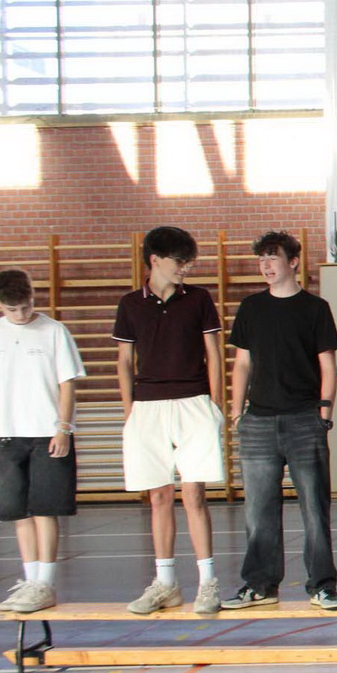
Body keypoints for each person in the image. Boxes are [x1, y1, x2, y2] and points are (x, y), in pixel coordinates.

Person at [221, 231, 337, 610]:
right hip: (258, 422)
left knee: (314, 509)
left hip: (304, 420)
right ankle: (260, 585)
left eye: (272, 258)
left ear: (292, 262)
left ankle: (322, 586)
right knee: (258, 511)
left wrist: (324, 412)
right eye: (261, 259)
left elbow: (328, 365)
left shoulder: (315, 308)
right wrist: (237, 412)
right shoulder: (251, 308)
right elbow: (242, 363)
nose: (266, 265)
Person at [113, 226, 226, 615]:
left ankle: (207, 582)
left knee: (194, 494)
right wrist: (130, 411)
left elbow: (213, 352)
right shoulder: (130, 304)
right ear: (155, 260)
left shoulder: (199, 299)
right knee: (158, 496)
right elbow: (124, 361)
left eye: (188, 262)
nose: (185, 268)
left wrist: (214, 405)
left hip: (193, 403)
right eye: (180, 261)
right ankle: (165, 584)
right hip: (147, 407)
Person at [0, 270, 84, 614]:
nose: (21, 314)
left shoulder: (54, 331)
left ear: (32, 296)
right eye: (12, 310)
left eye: (26, 307)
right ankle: (30, 579)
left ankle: (45, 583)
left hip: (47, 432)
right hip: (8, 433)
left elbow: (67, 383)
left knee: (45, 509)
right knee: (18, 511)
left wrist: (63, 427)